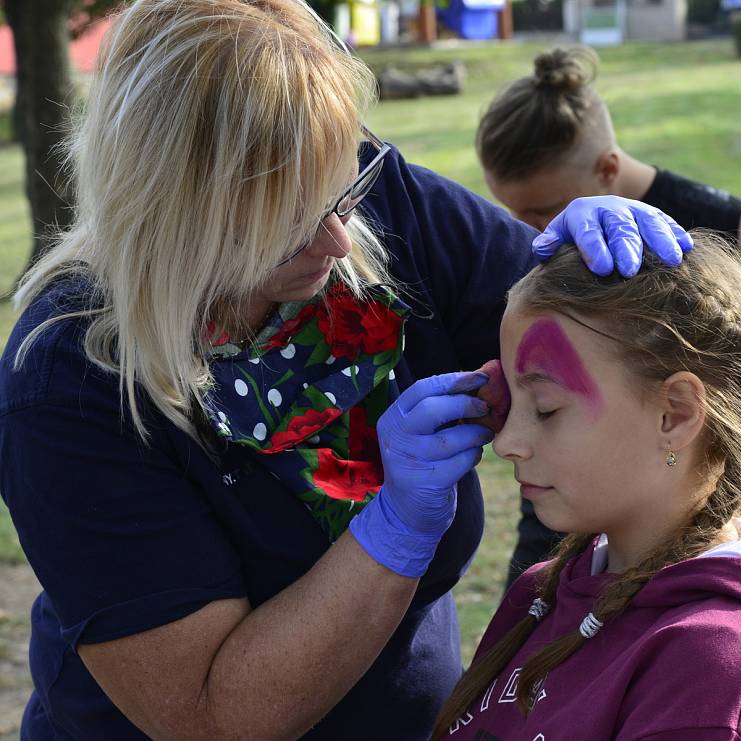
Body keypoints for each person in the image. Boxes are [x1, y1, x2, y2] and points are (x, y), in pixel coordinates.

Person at [0, 2, 691, 739]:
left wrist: (622, 274)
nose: (336, 239)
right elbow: (213, 715)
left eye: (341, 191)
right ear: (178, 207)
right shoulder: (71, 377)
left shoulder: (378, 201)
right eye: (292, 218)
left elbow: (601, 344)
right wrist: (392, 528)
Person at [431, 234, 741, 740]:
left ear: (676, 414)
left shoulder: (712, 666)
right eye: (510, 403)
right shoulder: (543, 590)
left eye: (545, 409)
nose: (509, 442)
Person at [476, 46, 741, 582]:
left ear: (606, 169)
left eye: (541, 210)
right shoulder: (545, 250)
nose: (529, 231)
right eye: (511, 213)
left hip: (695, 525)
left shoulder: (724, 223)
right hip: (563, 523)